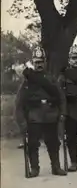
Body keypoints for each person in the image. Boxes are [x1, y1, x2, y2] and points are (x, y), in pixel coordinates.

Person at [15, 46, 67, 177]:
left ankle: (56, 167)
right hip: (34, 117)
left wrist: (62, 113)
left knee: (53, 143)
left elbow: (61, 97)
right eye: (36, 62)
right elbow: (19, 103)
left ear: (45, 62)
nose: (39, 64)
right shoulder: (27, 81)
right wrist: (22, 122)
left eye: (41, 62)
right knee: (33, 144)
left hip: (51, 116)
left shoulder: (51, 79)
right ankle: (35, 169)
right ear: (33, 62)